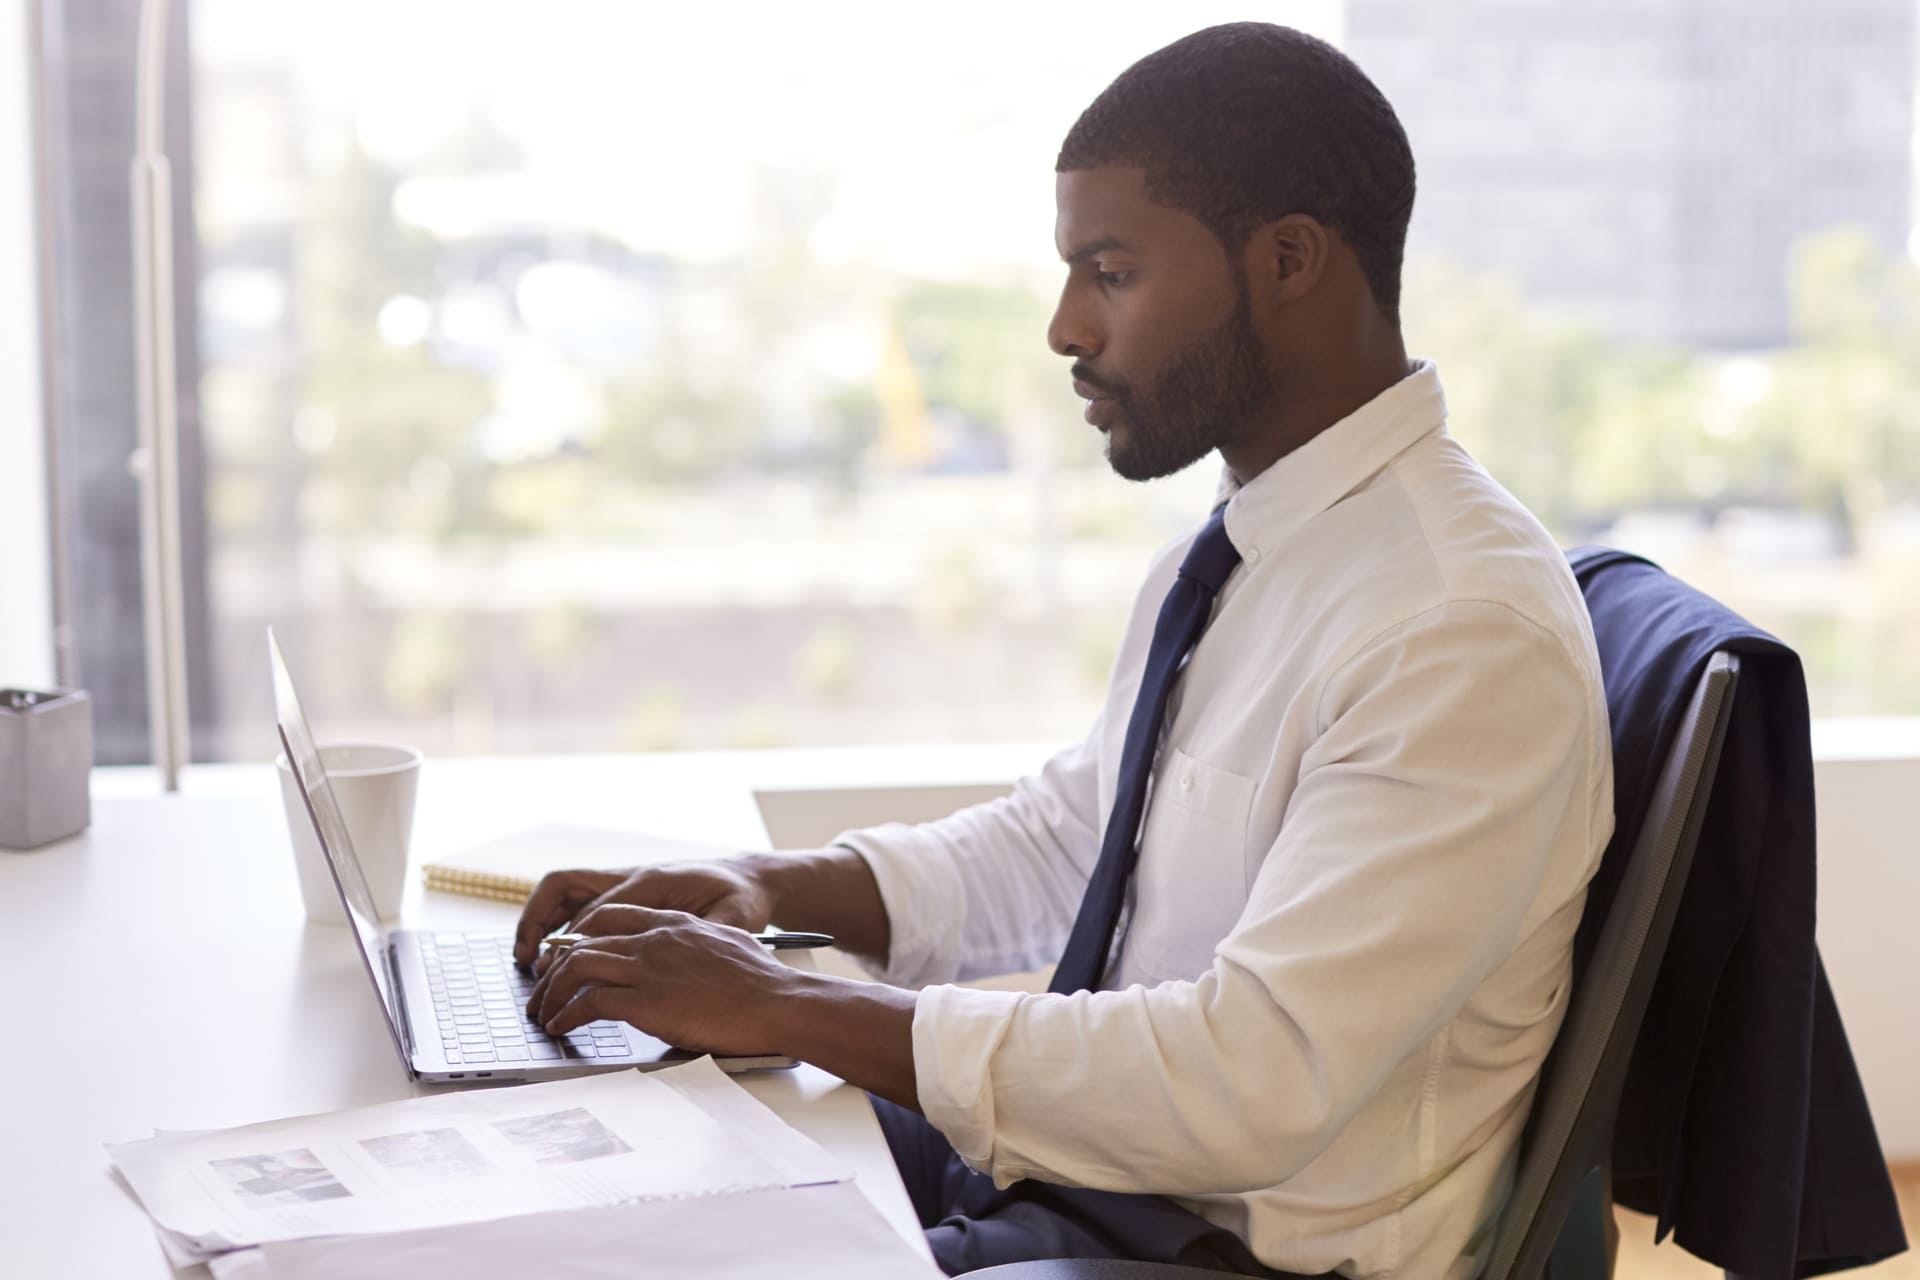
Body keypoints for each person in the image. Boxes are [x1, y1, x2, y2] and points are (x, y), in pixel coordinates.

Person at [513, 22, 1612, 1279]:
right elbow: (1077, 836)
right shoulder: (1259, 543)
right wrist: (769, 891)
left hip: (1236, 1255)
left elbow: (1255, 1073)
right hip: (1103, 1186)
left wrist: (783, 1000)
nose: (1064, 326)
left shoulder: (1457, 627)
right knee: (638, 1178)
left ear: (1289, 260)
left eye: (1111, 270)